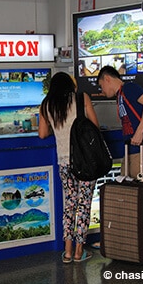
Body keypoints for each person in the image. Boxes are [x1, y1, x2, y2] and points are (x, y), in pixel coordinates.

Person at [38, 72, 99, 263]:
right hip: (85, 160)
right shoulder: (82, 98)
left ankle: (67, 251)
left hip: (64, 162)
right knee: (84, 204)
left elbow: (42, 134)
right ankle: (80, 251)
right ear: (70, 85)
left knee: (69, 204)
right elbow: (95, 126)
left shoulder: (47, 104)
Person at [97, 65, 143, 183]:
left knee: (142, 194)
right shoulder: (120, 96)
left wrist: (139, 132)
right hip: (130, 150)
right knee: (128, 194)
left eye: (101, 86)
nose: (102, 91)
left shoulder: (129, 88)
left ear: (107, 79)